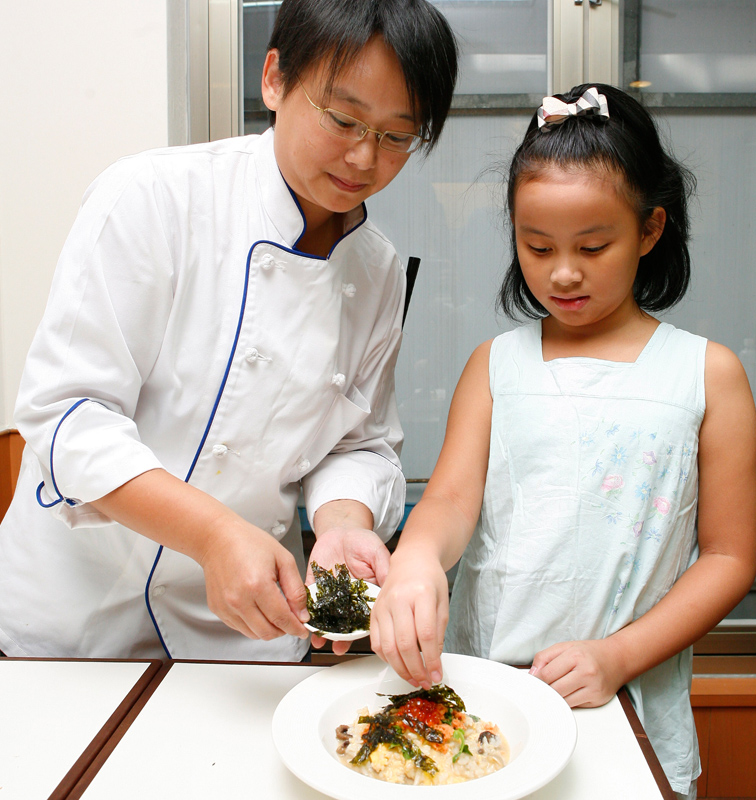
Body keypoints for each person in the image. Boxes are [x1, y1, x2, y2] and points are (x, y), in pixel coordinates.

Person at [0, 0, 458, 661]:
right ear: (274, 79)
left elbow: (357, 445)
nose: (364, 157)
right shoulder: (151, 198)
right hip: (77, 616)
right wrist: (214, 535)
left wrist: (342, 524)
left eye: (395, 137)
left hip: (241, 635)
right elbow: (68, 414)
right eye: (343, 119)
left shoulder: (377, 269)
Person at [370, 84, 756, 799]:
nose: (563, 272)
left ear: (650, 231)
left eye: (593, 245)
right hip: (488, 699)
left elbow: (730, 557)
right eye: (537, 246)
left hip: (627, 701)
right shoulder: (495, 365)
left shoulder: (708, 374)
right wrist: (417, 556)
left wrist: (619, 655)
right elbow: (451, 503)